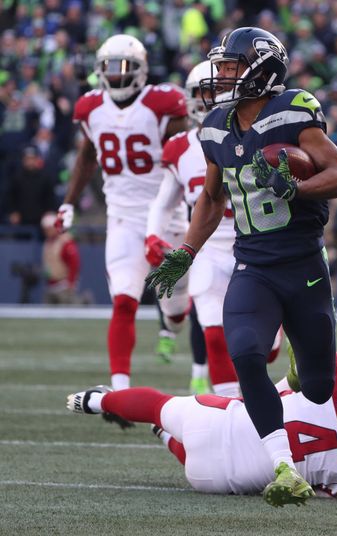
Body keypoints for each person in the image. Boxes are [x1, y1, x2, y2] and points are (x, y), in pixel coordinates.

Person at [145, 27, 337, 507]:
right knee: (243, 353)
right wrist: (187, 252)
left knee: (320, 389)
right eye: (222, 67)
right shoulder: (215, 126)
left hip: (303, 267)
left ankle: (303, 368)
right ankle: (285, 468)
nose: (221, 76)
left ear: (262, 70)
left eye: (231, 67)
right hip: (253, 265)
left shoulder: (294, 111)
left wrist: (295, 189)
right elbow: (212, 199)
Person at [66, 351, 337, 499]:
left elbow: (310, 356)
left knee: (160, 405)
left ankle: (97, 400)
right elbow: (326, 494)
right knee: (198, 454)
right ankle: (163, 435)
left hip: (219, 418)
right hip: (215, 480)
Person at [55, 34, 190, 393]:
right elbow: (86, 157)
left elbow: (188, 153)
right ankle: (119, 390)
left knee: (176, 311)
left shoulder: (162, 103)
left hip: (169, 216)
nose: (115, 75)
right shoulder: (90, 108)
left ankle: (172, 323)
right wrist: (68, 201)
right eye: (109, 67)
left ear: (141, 69)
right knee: (125, 300)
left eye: (124, 66)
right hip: (123, 217)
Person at [145, 60, 240, 397]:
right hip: (208, 249)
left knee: (264, 347)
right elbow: (164, 201)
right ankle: (231, 410)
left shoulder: (253, 134)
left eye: (217, 90)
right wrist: (152, 235)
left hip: (253, 247)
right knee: (213, 332)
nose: (209, 99)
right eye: (203, 91)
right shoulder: (180, 147)